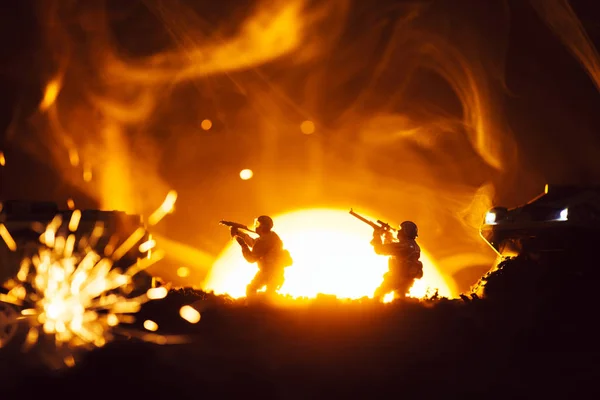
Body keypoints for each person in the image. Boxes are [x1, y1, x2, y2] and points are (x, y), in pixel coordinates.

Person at [231, 215, 292, 299]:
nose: (256, 226)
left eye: (258, 224)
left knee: (251, 289)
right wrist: (239, 233)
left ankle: (255, 309)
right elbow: (255, 244)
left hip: (269, 273)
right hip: (276, 272)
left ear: (263, 227)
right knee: (269, 296)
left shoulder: (264, 241)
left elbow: (251, 259)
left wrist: (243, 245)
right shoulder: (272, 236)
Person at [371, 221, 423, 301]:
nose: (398, 231)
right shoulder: (413, 245)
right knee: (399, 301)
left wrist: (377, 234)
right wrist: (387, 237)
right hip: (406, 280)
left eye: (401, 230)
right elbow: (394, 250)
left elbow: (379, 250)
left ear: (406, 232)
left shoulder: (404, 246)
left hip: (398, 278)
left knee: (378, 295)